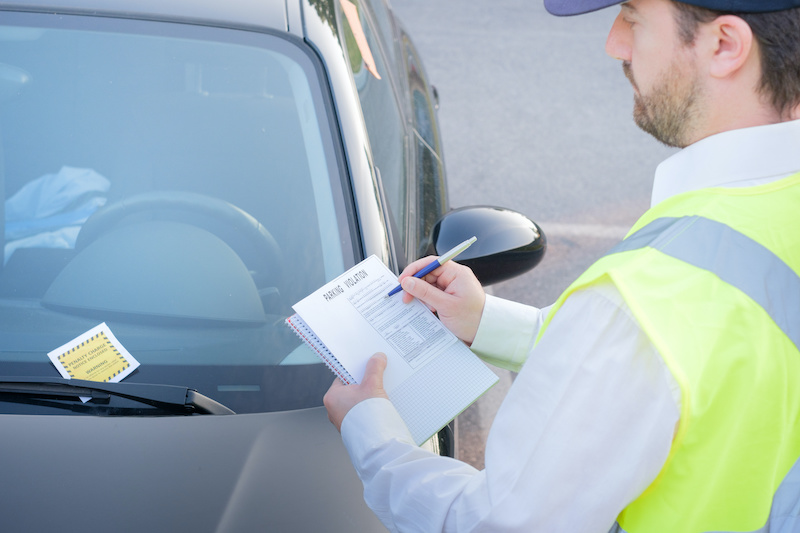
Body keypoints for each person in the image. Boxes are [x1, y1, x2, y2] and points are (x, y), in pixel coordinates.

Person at [323, 0, 800, 531]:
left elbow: (497, 525)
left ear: (724, 45)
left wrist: (374, 439)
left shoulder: (642, 305)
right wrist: (485, 322)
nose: (614, 43)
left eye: (634, 17)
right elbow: (673, 372)